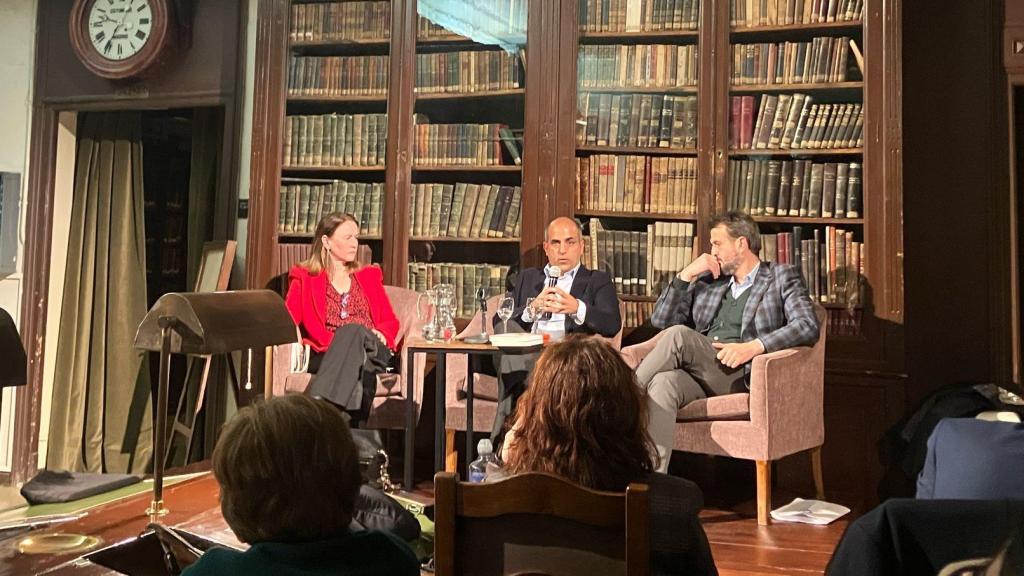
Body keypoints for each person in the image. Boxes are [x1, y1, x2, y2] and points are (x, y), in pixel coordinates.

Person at [501, 336, 717, 576]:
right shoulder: (672, 506)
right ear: (629, 411)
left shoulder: (497, 506)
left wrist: (523, 432)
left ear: (536, 417)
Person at [637, 211, 819, 472]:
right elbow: (661, 321)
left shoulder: (781, 277)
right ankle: (654, 481)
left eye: (717, 243)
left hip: (740, 374)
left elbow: (807, 325)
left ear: (741, 244)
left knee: (679, 335)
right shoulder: (711, 283)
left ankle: (623, 396)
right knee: (663, 383)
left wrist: (753, 347)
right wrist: (686, 274)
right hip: (703, 370)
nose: (712, 251)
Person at [181, 394, 420, 576]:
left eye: (224, 487)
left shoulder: (213, 571)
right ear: (352, 481)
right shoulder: (392, 558)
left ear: (239, 504)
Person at [489, 216, 621, 442]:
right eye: (556, 243)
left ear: (581, 247)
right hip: (527, 350)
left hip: (564, 357)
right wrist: (531, 309)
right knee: (507, 329)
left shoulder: (596, 280)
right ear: (546, 248)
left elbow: (611, 323)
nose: (563, 250)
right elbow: (499, 322)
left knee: (512, 364)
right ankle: (529, 398)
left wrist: (576, 308)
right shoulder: (528, 278)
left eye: (570, 242)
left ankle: (503, 437)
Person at [285, 212, 400, 424]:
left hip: (371, 349)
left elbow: (390, 321)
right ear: (326, 241)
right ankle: (343, 430)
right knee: (357, 372)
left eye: (356, 237)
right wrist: (295, 339)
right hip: (328, 355)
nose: (355, 243)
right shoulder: (304, 277)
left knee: (353, 330)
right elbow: (287, 319)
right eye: (348, 237)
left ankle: (319, 409)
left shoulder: (368, 275)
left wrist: (382, 334)